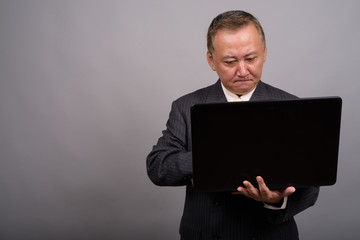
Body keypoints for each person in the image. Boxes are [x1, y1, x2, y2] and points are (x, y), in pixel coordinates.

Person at [147, 10, 319, 240]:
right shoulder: (185, 107)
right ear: (211, 60)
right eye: (230, 61)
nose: (242, 71)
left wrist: (277, 200)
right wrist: (213, 159)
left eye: (251, 59)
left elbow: (312, 186)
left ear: (265, 53)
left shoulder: (293, 107)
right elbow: (158, 166)